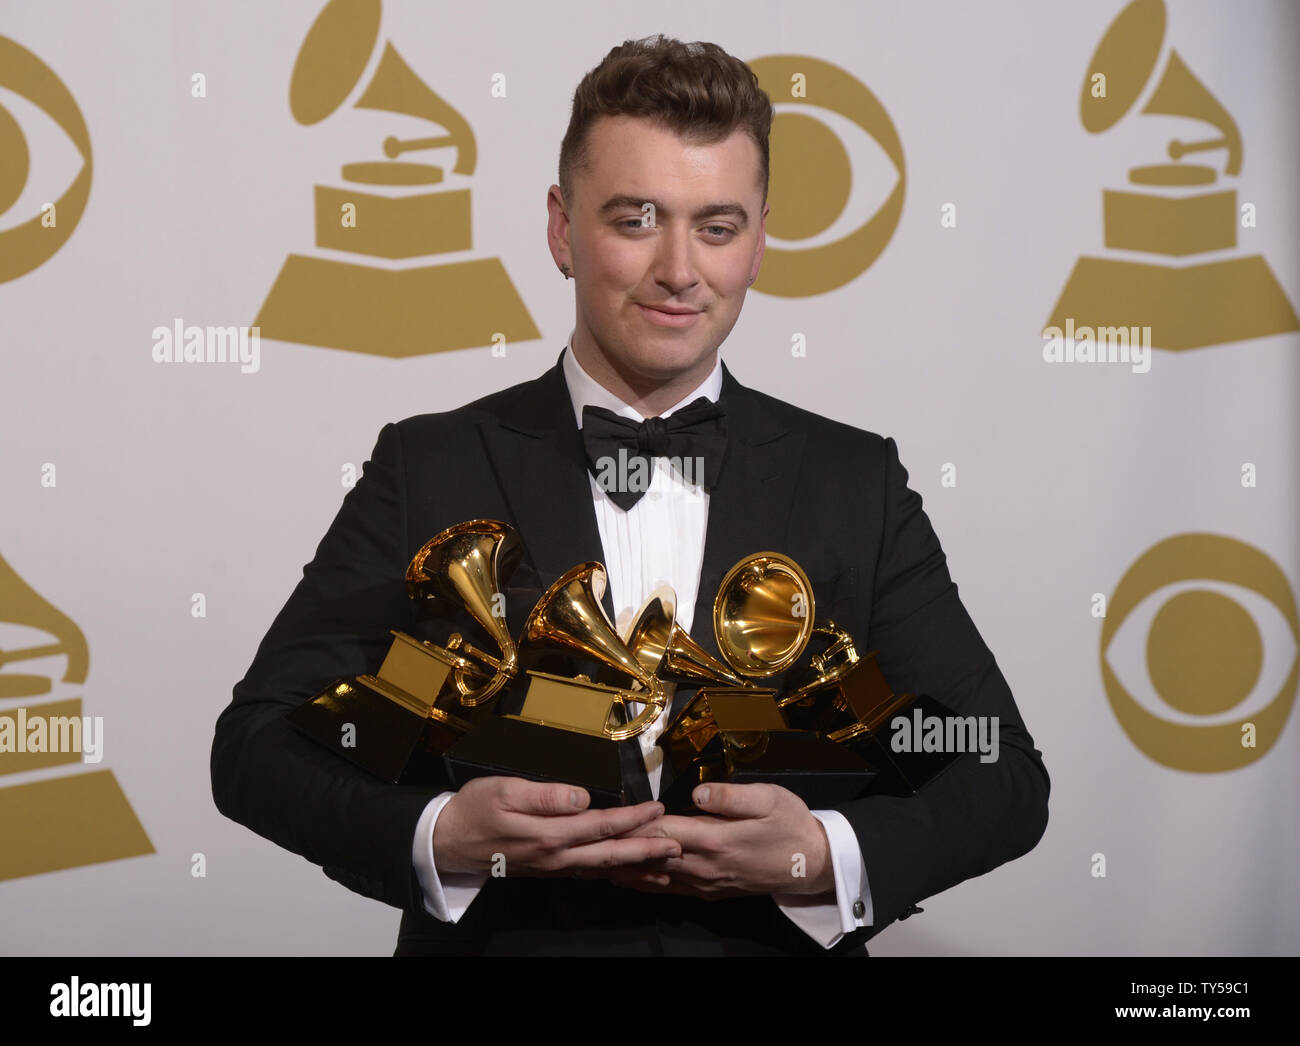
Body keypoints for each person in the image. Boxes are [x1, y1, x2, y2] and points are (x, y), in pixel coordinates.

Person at [211, 34, 1049, 957]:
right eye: (637, 219)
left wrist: (822, 854)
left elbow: (995, 769)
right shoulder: (427, 466)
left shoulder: (858, 481)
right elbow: (257, 748)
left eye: (717, 227)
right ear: (563, 230)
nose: (680, 270)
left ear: (760, 242)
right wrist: (441, 837)